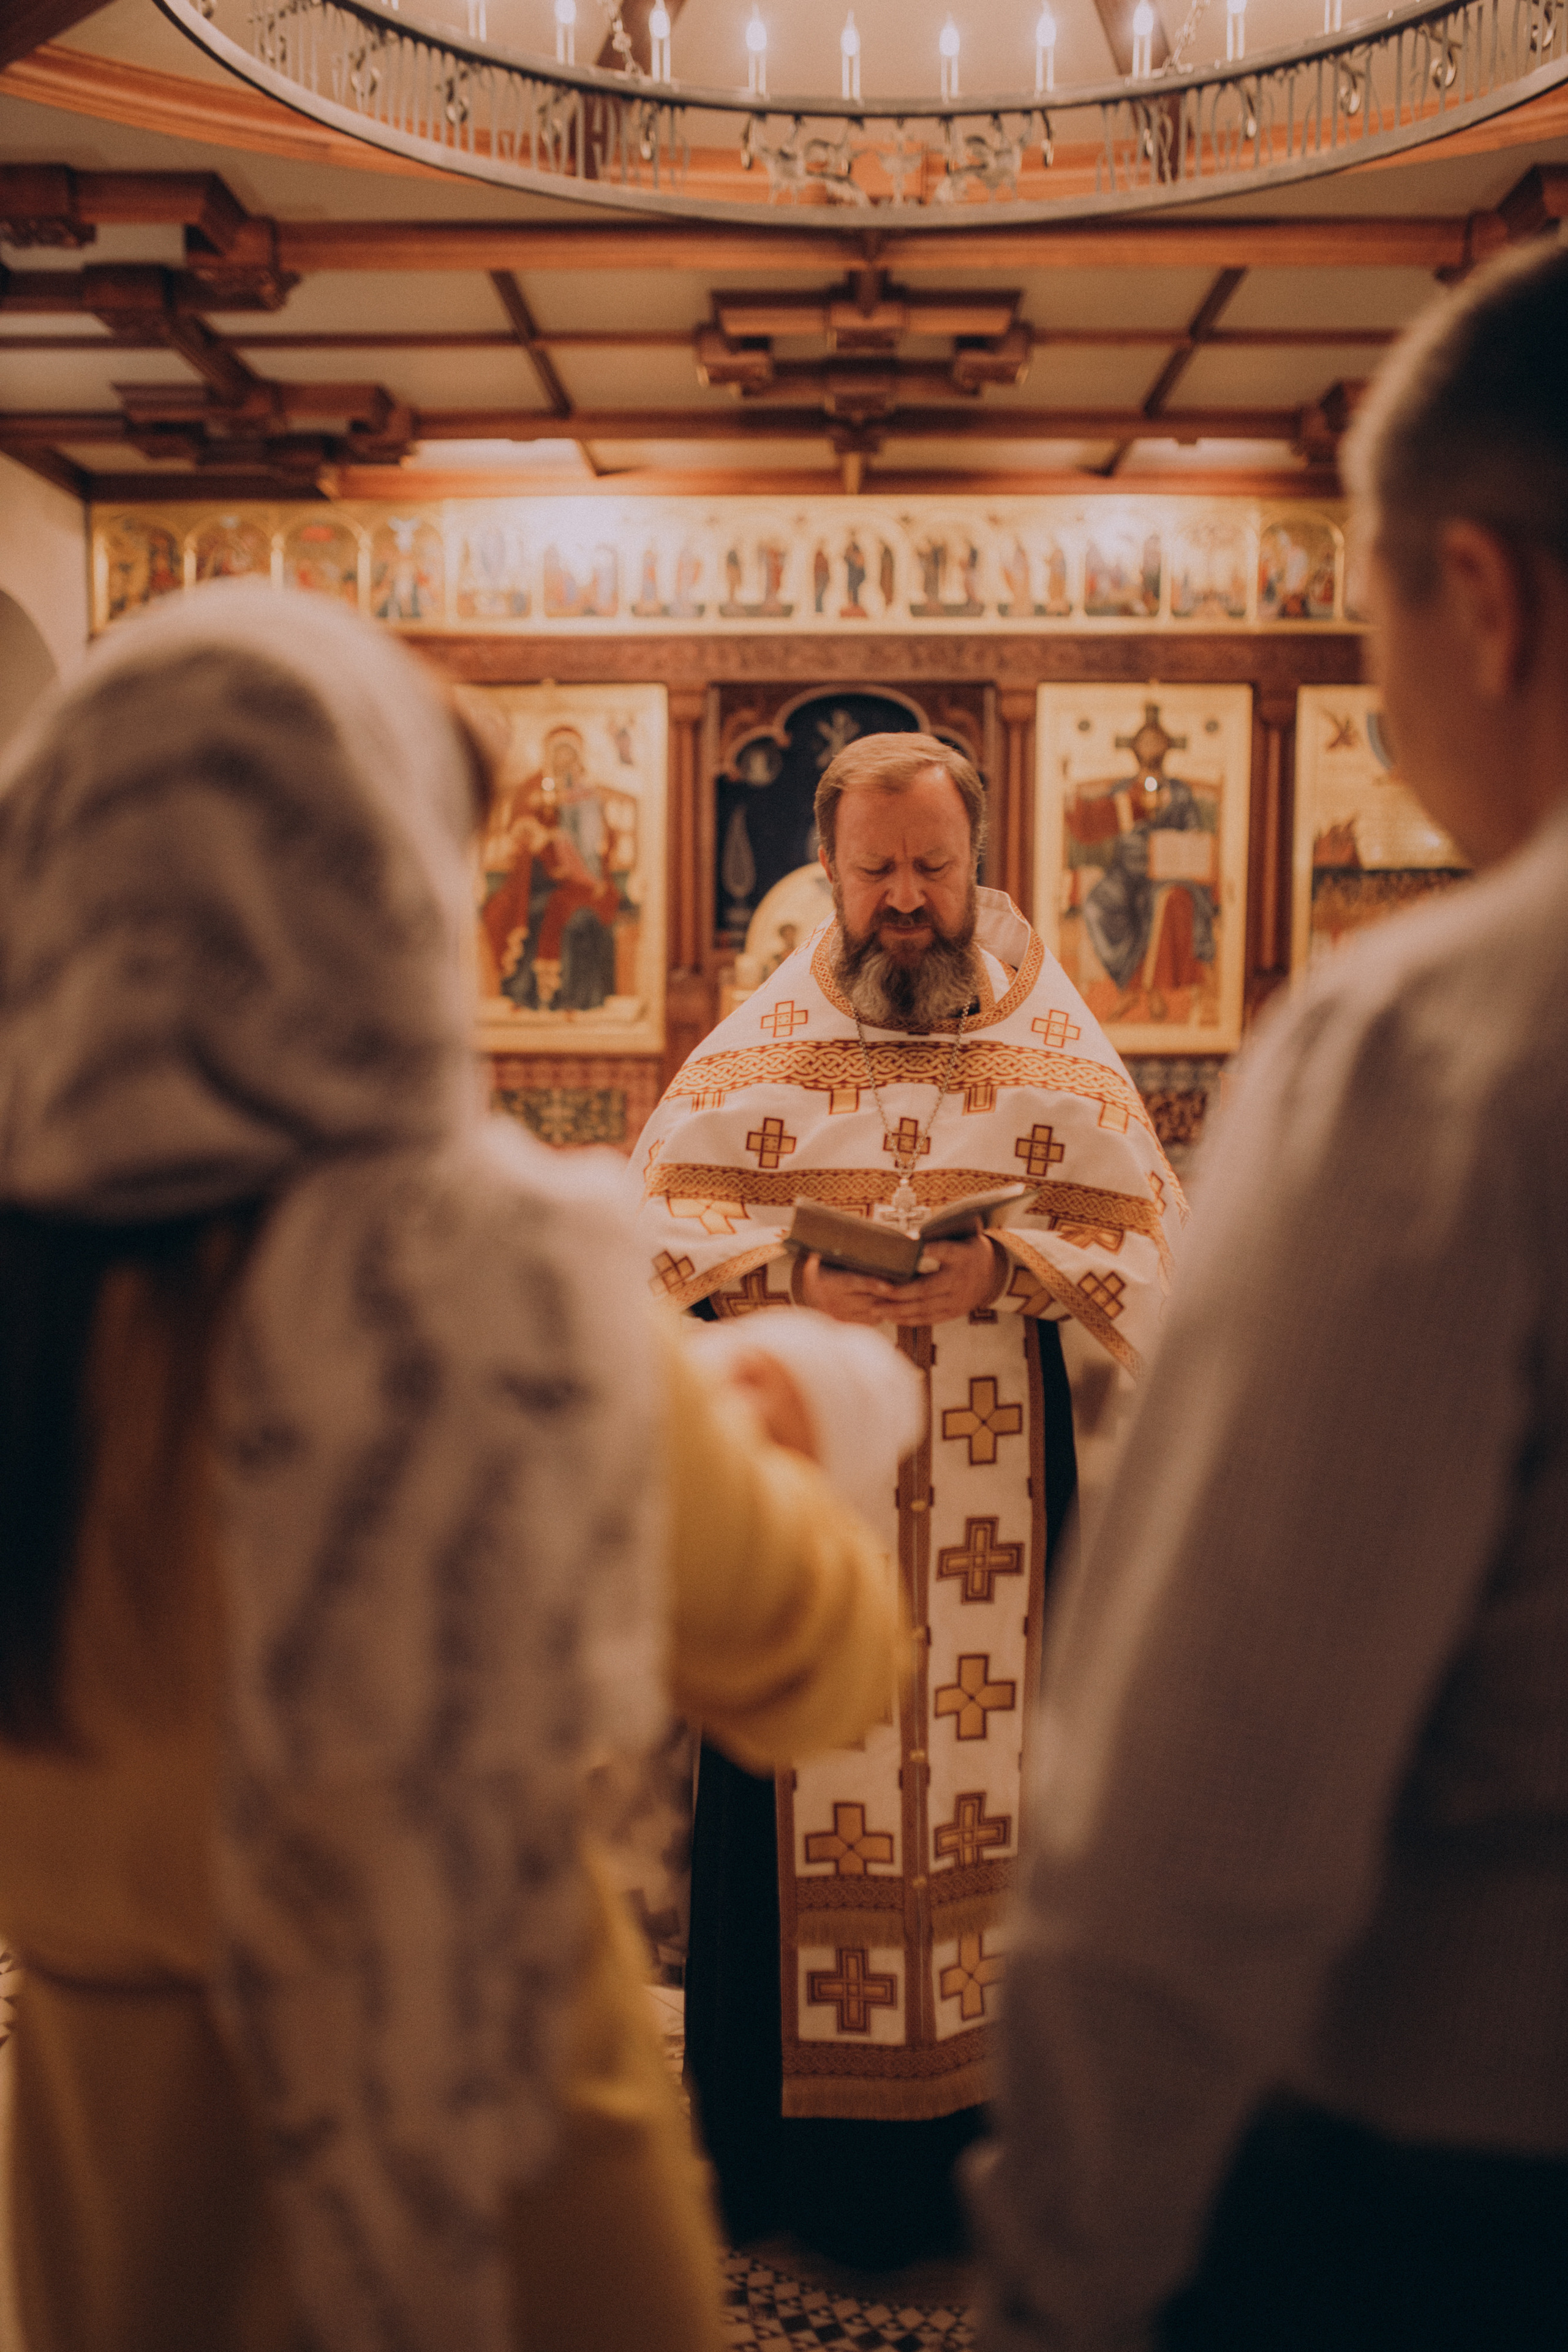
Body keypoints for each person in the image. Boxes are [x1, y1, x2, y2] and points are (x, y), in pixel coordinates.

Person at [0, 583, 903, 2352]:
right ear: (379, 900)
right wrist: (794, 1422)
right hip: (518, 2204)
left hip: (123, 2229)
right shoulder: (496, 1288)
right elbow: (811, 1667)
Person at [967, 241, 1568, 2352]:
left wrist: (1066, 2268)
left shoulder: (1448, 1045)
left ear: (1482, 599)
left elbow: (1199, 1802)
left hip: (1471, 2198)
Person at [631, 732, 1184, 2269]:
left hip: (1002, 1517)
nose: (901, 904)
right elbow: (655, 1235)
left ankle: (980, 2150)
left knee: (1007, 1805)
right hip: (815, 1514)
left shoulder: (1052, 1043)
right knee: (798, 1759)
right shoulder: (758, 1044)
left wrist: (1007, 1268)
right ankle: (779, 2160)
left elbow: (1153, 1245)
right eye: (871, 872)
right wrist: (780, 1273)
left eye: (929, 869)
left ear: (977, 861)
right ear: (827, 869)